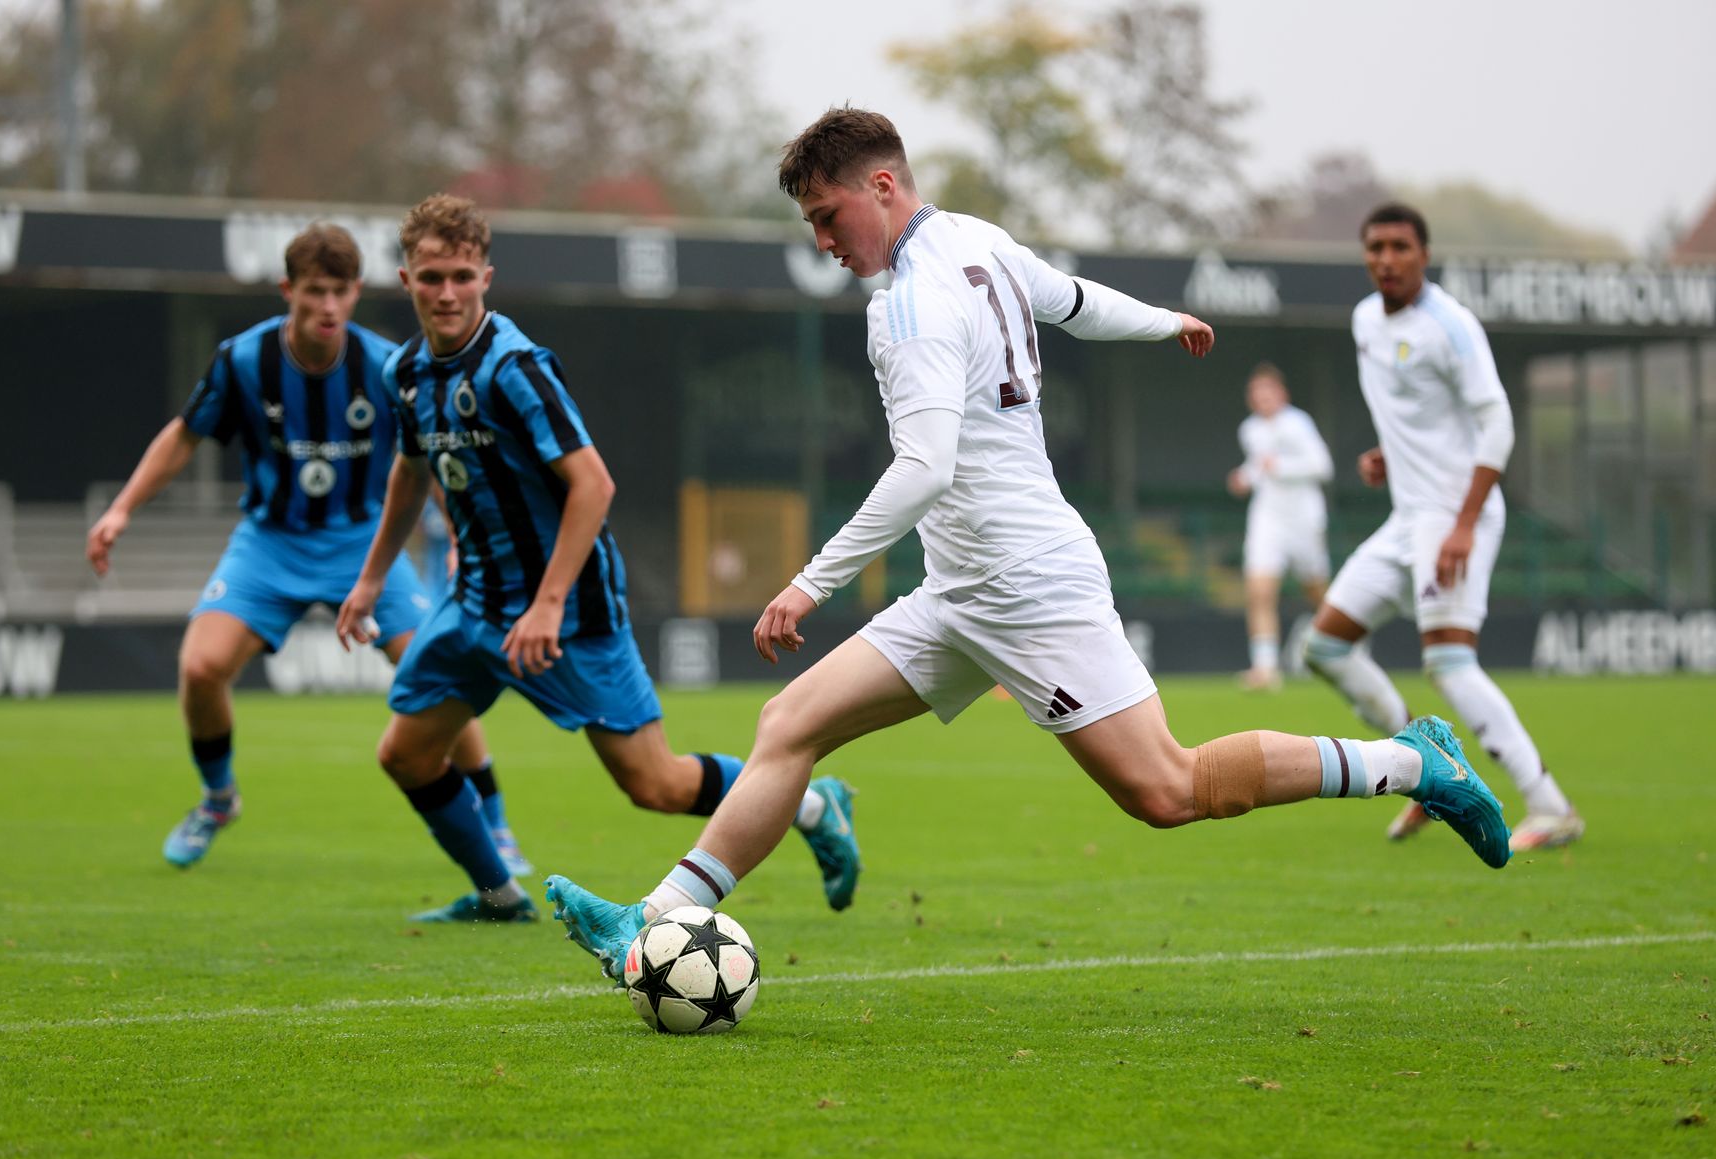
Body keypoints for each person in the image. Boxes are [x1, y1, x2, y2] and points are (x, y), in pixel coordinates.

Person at [543, 108, 1512, 980]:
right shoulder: (976, 239)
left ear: (883, 188)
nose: (824, 241)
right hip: (960, 588)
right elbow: (1076, 301)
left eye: (828, 217)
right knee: (788, 727)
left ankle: (1414, 764)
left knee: (1167, 790)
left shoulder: (909, 305)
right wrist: (1164, 322)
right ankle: (655, 919)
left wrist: (807, 583)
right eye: (811, 225)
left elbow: (924, 466)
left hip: (1027, 583)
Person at [335, 194, 857, 924]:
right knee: (407, 753)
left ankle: (810, 805)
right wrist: (369, 581)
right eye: (430, 278)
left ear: (485, 276)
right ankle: (497, 896)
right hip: (476, 602)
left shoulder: (515, 367)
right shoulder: (406, 372)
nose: (447, 292)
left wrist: (547, 604)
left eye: (460, 275)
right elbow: (410, 472)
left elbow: (593, 485)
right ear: (406, 279)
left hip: (570, 611)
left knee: (657, 786)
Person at [86, 223, 521, 877]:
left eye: (341, 292)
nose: (327, 307)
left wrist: (458, 538)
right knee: (201, 668)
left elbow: (430, 457)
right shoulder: (244, 360)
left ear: (356, 293)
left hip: (363, 542)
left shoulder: (387, 366)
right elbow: (183, 436)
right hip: (270, 543)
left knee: (436, 672)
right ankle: (218, 799)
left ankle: (494, 819)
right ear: (289, 289)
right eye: (315, 291)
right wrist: (121, 508)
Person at [1301, 203, 1584, 854]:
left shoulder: (1451, 325)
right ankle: (1424, 765)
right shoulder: (1365, 320)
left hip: (1459, 517)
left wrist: (1462, 525)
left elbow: (1497, 425)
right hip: (1406, 518)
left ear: (1424, 255)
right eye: (1375, 247)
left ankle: (1550, 806)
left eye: (1400, 246)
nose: (1386, 258)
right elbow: (1417, 415)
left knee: (1451, 664)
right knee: (1324, 648)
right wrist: (1387, 454)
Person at [1226, 362, 1333, 690]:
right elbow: (1258, 466)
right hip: (1267, 518)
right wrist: (1244, 477)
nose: (1262, 398)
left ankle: (1347, 645)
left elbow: (1322, 466)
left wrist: (1280, 466)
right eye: (1256, 393)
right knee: (1259, 589)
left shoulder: (1299, 423)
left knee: (1315, 590)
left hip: (1303, 519)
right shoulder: (1250, 429)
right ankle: (1265, 668)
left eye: (1267, 391)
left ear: (1281, 394)